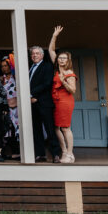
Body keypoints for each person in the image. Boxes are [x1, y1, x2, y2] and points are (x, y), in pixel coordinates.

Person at [48, 26, 78, 163]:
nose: (61, 60)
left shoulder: (69, 73)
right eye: (60, 58)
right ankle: (64, 152)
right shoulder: (56, 67)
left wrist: (63, 81)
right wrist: (55, 36)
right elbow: (51, 50)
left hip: (65, 101)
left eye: (64, 58)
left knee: (65, 128)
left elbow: (72, 90)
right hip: (55, 100)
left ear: (68, 60)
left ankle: (70, 154)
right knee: (56, 128)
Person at [27, 44, 58, 162]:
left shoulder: (47, 66)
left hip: (44, 102)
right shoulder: (30, 67)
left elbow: (47, 83)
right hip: (32, 104)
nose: (34, 55)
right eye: (33, 54)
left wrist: (31, 94)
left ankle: (55, 154)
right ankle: (40, 154)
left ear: (42, 55)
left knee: (50, 129)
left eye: (37, 53)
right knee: (36, 130)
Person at [0, 57, 20, 158]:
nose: (4, 68)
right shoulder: (1, 79)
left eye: (6, 65)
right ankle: (7, 152)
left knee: (17, 130)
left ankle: (18, 152)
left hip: (17, 107)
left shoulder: (16, 77)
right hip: (6, 108)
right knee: (7, 129)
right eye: (2, 66)